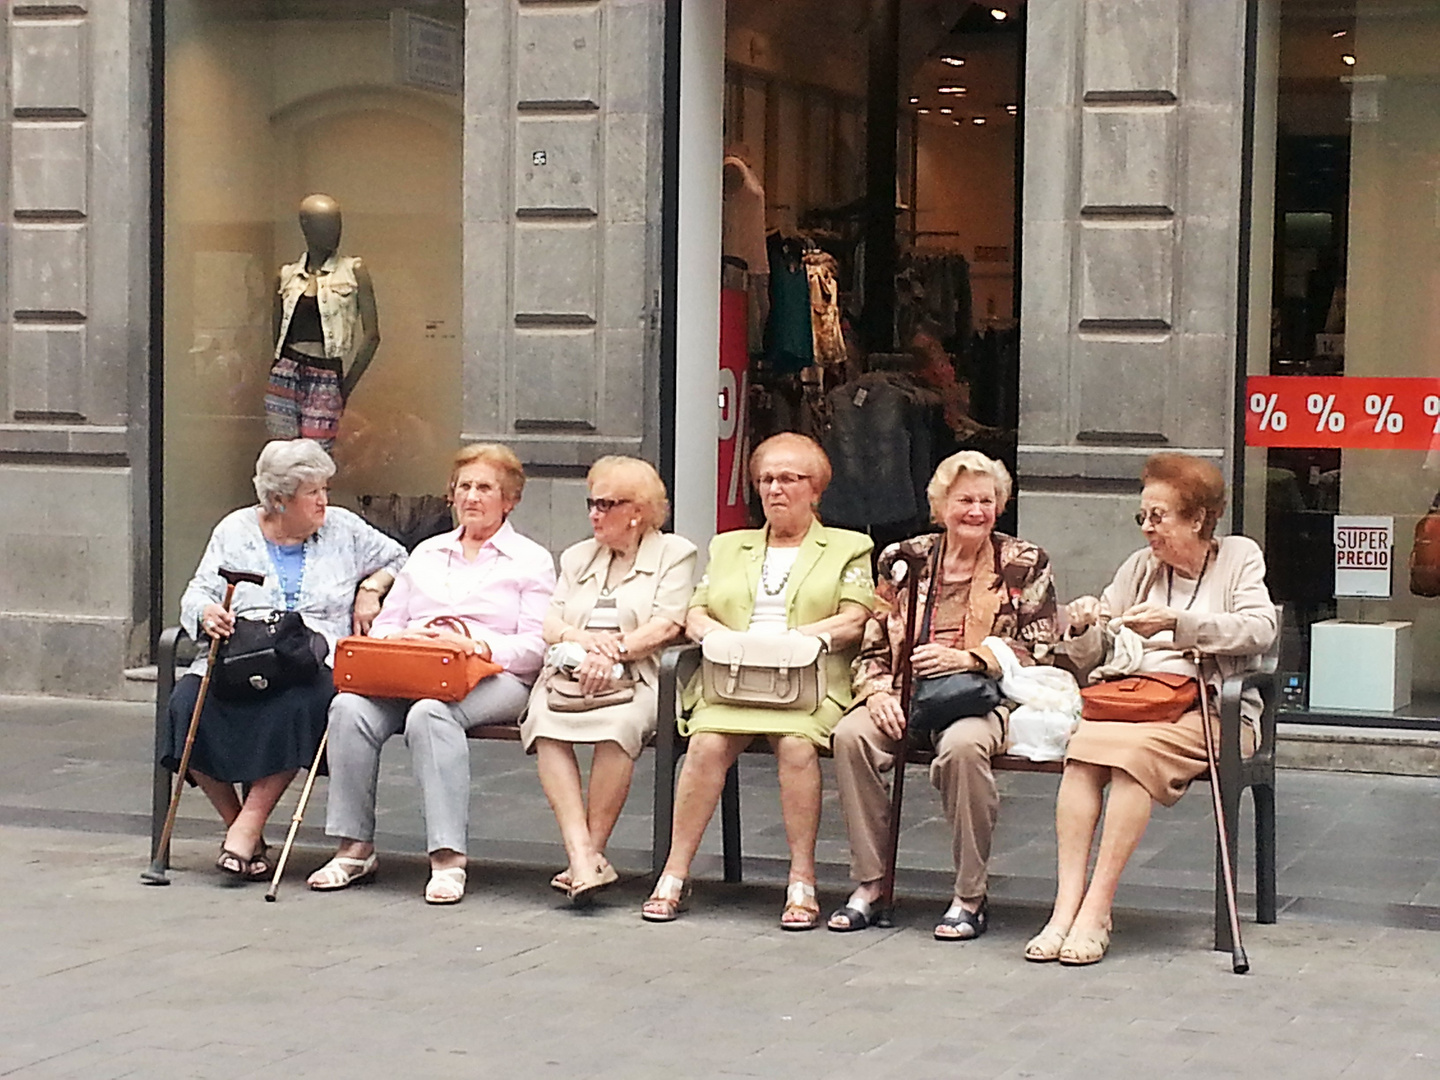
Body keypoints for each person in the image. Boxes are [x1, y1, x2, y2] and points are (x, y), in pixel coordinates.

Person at [1026, 453, 1276, 965]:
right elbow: (1094, 653)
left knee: (1130, 762)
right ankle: (1064, 909)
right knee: (1083, 754)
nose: (1147, 529)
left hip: (1212, 710)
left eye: (1158, 517)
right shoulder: (1139, 568)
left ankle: (1096, 910)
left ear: (1199, 519)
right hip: (1136, 702)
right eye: (1142, 517)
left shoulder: (1238, 558)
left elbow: (1260, 629)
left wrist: (1177, 624)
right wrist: (1084, 625)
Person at [643, 433, 876, 929]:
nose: (776, 489)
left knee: (795, 747)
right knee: (706, 744)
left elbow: (856, 620)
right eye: (766, 479)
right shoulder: (729, 546)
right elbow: (697, 611)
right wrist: (716, 636)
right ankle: (674, 874)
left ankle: (802, 880)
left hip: (809, 686)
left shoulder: (849, 547)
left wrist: (791, 642)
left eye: (790, 479)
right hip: (733, 681)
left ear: (816, 489)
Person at [308, 444, 556, 904]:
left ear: (510, 499)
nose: (472, 497)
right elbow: (387, 623)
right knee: (347, 707)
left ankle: (447, 858)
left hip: (494, 676)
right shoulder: (427, 552)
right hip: (414, 667)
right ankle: (354, 847)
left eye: (485, 488)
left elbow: (536, 647)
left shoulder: (530, 559)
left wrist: (475, 645)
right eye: (464, 487)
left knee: (430, 715)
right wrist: (397, 644)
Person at [830, 451, 1060, 939]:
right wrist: (876, 692)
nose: (976, 511)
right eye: (964, 501)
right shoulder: (903, 559)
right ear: (940, 507)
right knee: (851, 736)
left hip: (981, 695)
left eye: (987, 500)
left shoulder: (1023, 562)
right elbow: (873, 644)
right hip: (905, 692)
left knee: (962, 748)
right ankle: (871, 885)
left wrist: (972, 658)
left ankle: (970, 895)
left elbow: (1042, 644)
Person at [162, 439, 407, 881]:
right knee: (185, 704)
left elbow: (402, 558)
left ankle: (247, 829)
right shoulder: (234, 531)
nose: (324, 502)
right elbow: (199, 591)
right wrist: (206, 613)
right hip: (242, 653)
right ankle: (241, 828)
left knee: (298, 705)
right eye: (313, 492)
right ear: (278, 499)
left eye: (325, 489)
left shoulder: (344, 529)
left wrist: (371, 589)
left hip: (312, 658)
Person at [521, 457, 697, 904]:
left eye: (605, 505)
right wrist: (589, 647)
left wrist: (615, 651)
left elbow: (667, 625)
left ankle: (589, 853)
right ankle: (584, 856)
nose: (593, 515)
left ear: (636, 511)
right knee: (543, 722)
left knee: (619, 729)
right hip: (571, 673)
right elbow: (551, 623)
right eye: (591, 503)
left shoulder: (674, 555)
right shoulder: (579, 556)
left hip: (639, 677)